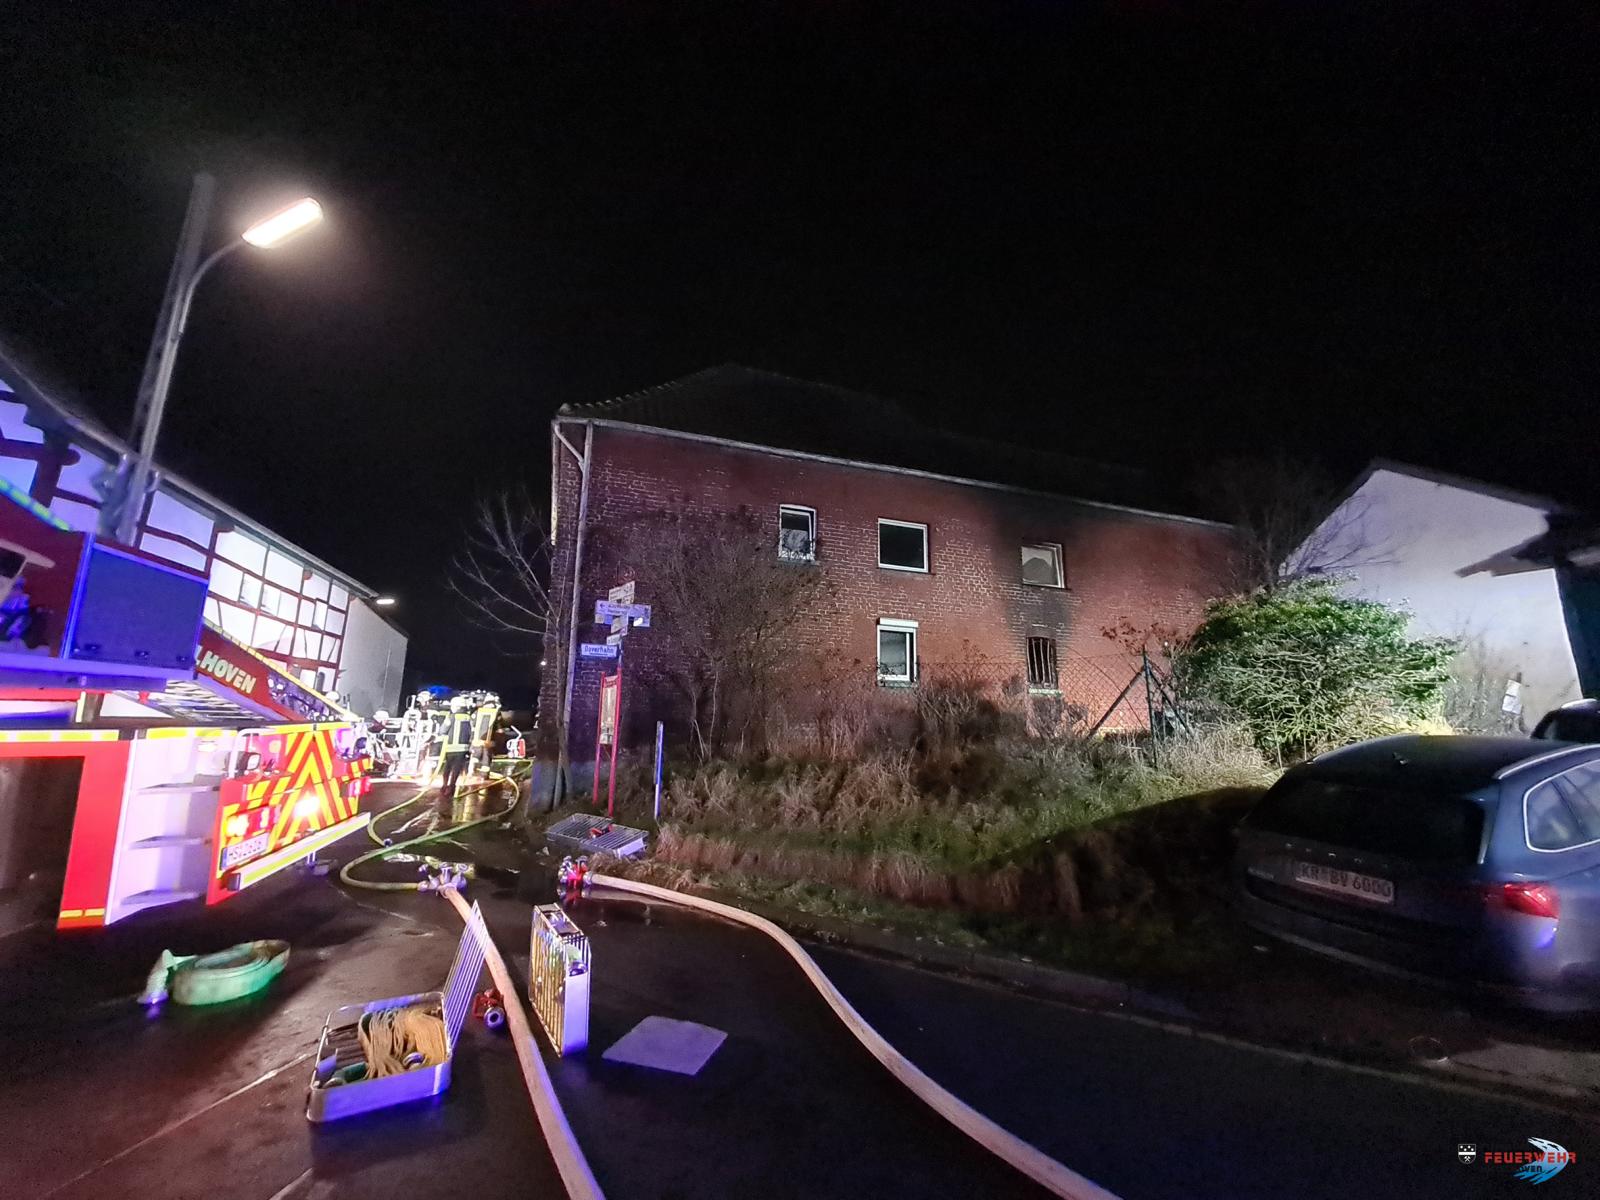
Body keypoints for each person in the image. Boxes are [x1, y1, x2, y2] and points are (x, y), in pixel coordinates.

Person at [437, 697, 474, 809]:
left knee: (447, 767)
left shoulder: (451, 717)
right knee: (456, 769)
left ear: (457, 706)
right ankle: (452, 787)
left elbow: (442, 730)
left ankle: (444, 786)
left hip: (450, 748)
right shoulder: (469, 718)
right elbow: (472, 732)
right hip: (463, 749)